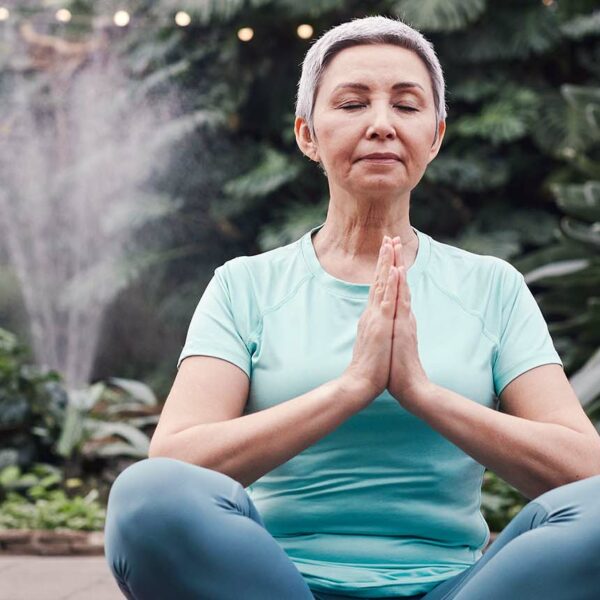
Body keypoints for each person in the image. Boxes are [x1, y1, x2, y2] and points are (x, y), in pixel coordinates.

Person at [103, 15, 600, 600]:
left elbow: (584, 471)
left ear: (435, 136)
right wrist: (352, 387)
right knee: (148, 497)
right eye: (352, 102)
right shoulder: (246, 286)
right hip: (277, 587)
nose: (382, 125)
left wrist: (421, 392)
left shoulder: (493, 287)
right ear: (307, 133)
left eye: (407, 106)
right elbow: (177, 461)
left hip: (460, 590)